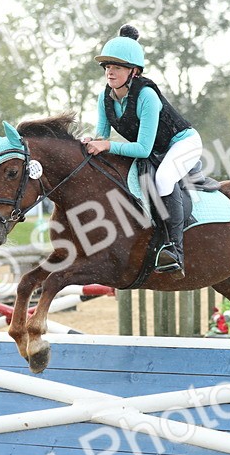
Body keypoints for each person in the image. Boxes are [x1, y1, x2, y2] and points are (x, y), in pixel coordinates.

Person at [82, 25, 202, 277]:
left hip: (182, 143)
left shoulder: (147, 95)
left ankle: (175, 249)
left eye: (116, 67)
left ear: (133, 71)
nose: (110, 72)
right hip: (155, 150)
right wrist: (91, 140)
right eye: (107, 67)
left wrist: (106, 145)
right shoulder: (105, 97)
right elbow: (102, 135)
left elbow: (143, 147)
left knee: (163, 179)